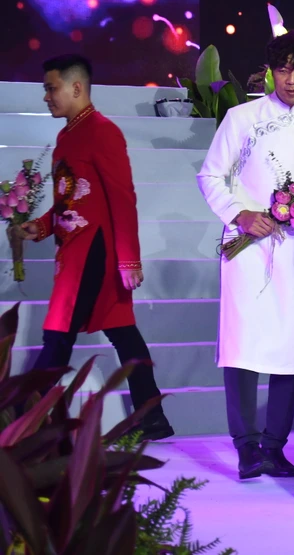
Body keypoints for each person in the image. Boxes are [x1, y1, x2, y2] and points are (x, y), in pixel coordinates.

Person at [197, 31, 294, 480]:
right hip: (247, 248)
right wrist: (241, 214)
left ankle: (275, 447)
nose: (292, 80)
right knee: (243, 342)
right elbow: (210, 176)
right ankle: (246, 446)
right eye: (284, 70)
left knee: (293, 342)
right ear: (271, 72)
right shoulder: (241, 118)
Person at [22, 54, 172, 441]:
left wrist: (129, 260)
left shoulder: (103, 131)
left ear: (76, 88)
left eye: (51, 88)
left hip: (94, 253)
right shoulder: (67, 136)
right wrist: (41, 226)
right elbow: (68, 200)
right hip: (74, 252)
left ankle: (22, 420)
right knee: (122, 331)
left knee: (59, 334)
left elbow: (122, 198)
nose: (46, 97)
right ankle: (153, 417)